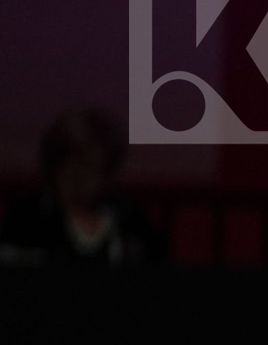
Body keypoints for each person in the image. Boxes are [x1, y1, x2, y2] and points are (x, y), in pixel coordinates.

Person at [0, 108, 162, 267]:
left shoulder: (130, 220)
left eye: (93, 166)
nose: (81, 177)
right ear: (55, 164)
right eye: (74, 163)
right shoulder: (27, 219)